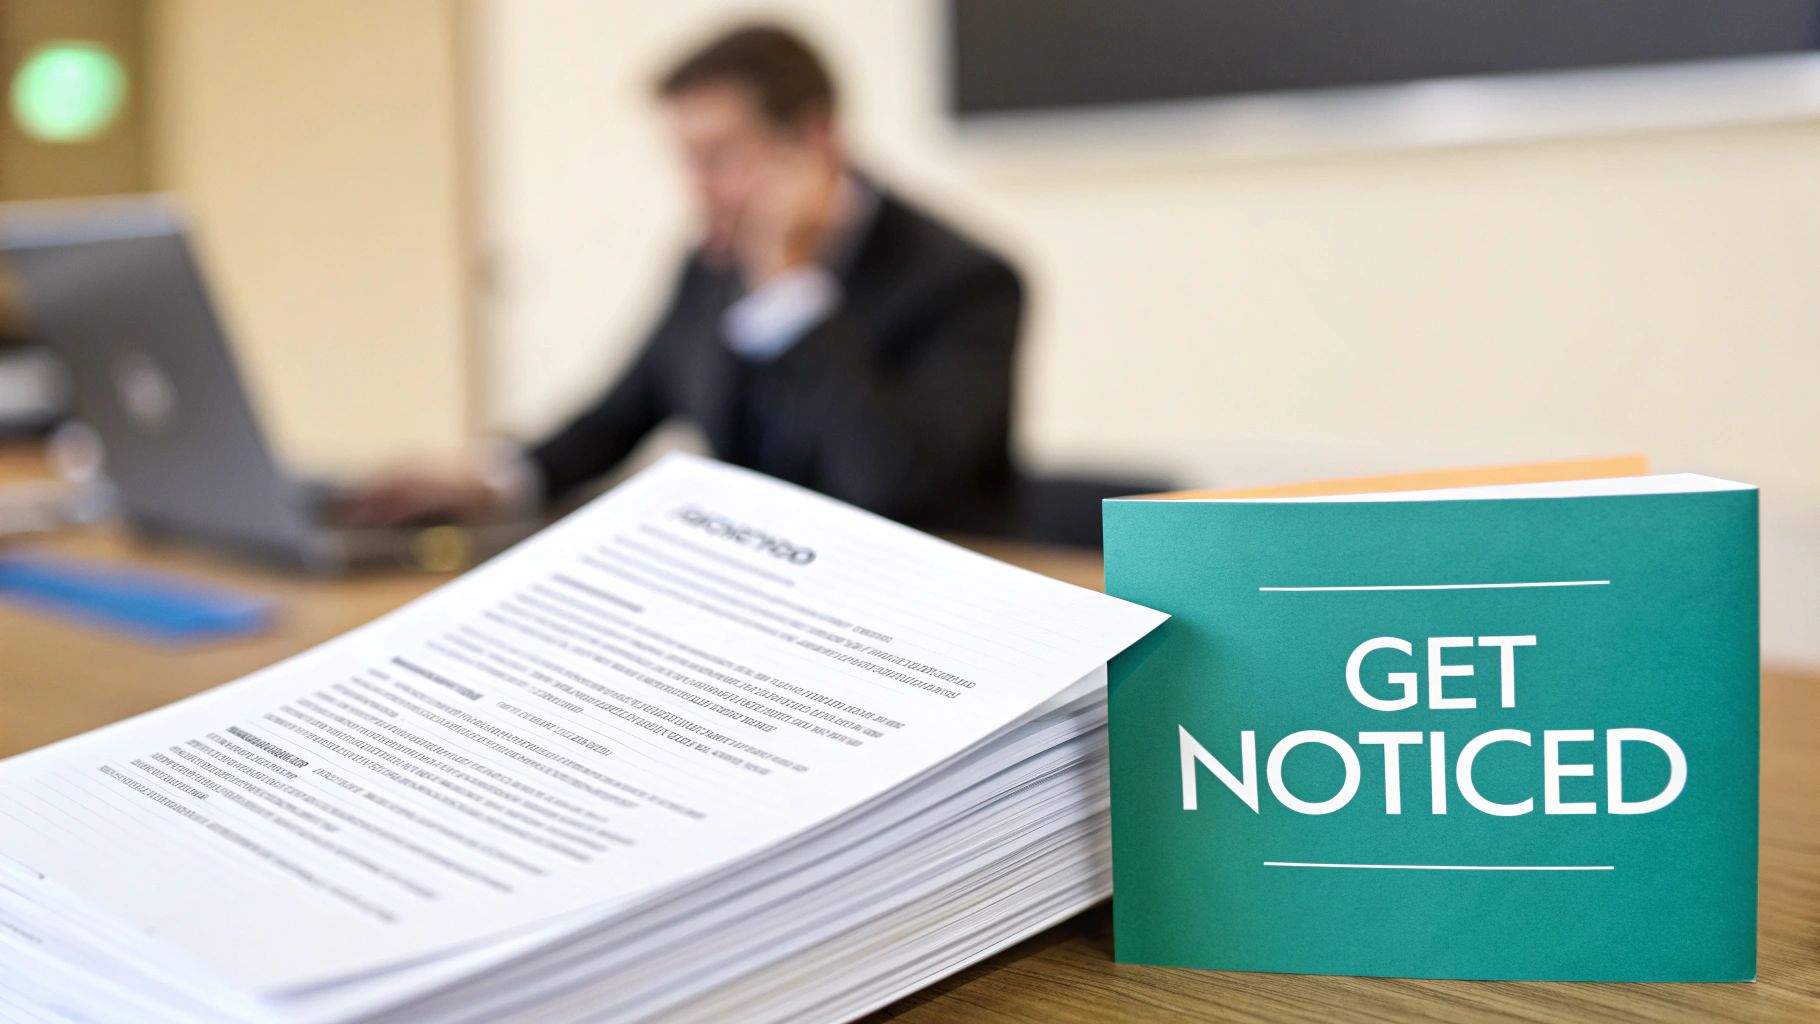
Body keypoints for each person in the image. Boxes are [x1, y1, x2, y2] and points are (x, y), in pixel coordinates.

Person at [348, 24, 1024, 533]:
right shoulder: (712, 262)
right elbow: (620, 414)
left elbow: (896, 489)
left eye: (718, 158)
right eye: (685, 162)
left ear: (816, 142)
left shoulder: (966, 280)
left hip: (920, 621)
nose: (697, 192)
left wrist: (791, 287)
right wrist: (493, 482)